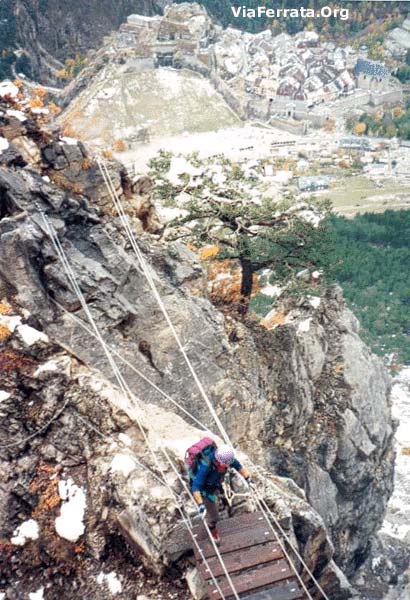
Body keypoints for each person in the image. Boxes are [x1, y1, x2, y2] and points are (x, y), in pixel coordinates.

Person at [191, 444, 254, 544]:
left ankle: (220, 503)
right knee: (214, 517)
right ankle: (213, 531)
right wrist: (201, 505)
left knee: (221, 500)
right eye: (226, 464)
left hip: (215, 483)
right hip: (205, 490)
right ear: (218, 462)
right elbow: (195, 487)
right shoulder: (206, 466)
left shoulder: (227, 459)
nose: (228, 465)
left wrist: (248, 479)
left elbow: (238, 466)